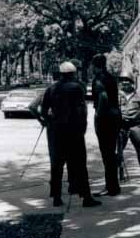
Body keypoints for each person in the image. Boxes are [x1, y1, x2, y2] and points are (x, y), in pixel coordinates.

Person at [41, 61, 100, 207]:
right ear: (73, 73)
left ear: (61, 74)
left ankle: (56, 197)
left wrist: (51, 122)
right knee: (80, 165)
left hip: (56, 133)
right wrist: (83, 127)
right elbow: (82, 110)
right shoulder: (77, 88)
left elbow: (43, 112)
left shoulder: (51, 89)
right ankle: (86, 197)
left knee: (56, 166)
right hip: (74, 132)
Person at [92, 51, 122, 196]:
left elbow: (103, 97)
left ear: (94, 66)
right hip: (115, 116)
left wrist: (98, 114)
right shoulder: (111, 77)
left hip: (105, 118)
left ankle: (111, 187)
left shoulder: (99, 78)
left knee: (107, 154)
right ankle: (113, 186)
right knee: (111, 152)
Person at [118, 70, 140, 181]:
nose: (124, 83)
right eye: (122, 81)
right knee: (118, 150)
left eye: (127, 81)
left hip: (135, 125)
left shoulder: (139, 95)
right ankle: (119, 171)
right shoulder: (117, 95)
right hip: (121, 126)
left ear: (131, 82)